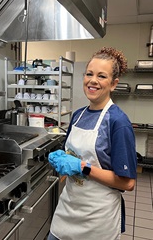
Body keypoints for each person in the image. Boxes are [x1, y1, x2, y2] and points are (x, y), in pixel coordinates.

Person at [48, 47, 137, 240]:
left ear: (114, 84)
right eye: (89, 74)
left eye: (102, 76)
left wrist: (83, 168)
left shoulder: (118, 122)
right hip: (67, 210)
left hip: (97, 220)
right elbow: (72, 155)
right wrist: (62, 159)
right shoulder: (78, 115)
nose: (93, 80)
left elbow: (128, 183)